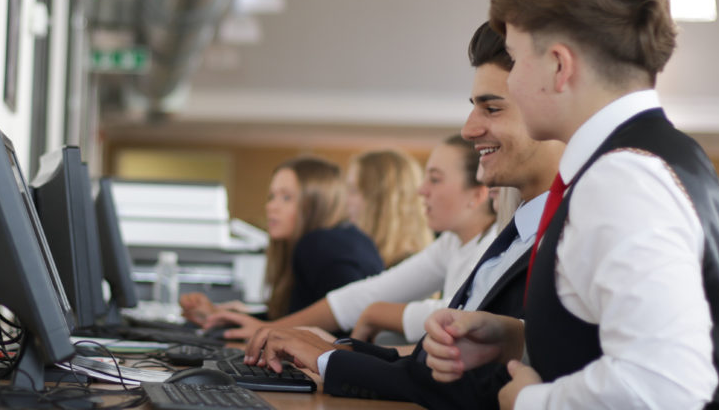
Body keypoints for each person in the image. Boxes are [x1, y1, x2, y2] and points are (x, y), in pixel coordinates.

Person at [424, 0, 719, 410]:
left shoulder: (621, 178)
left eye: (516, 58)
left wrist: (529, 409)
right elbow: (633, 328)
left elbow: (663, 383)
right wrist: (519, 336)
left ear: (557, 65)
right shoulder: (660, 155)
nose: (512, 81)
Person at [244, 23, 563, 410]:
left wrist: (334, 361)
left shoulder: (566, 235)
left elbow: (477, 386)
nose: (470, 130)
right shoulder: (515, 234)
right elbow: (441, 360)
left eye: (491, 108)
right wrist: (338, 351)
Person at [186, 135, 497, 342]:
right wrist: (264, 327)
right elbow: (365, 295)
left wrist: (376, 314)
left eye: (435, 179)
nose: (421, 190)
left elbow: (458, 319)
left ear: (479, 192)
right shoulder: (451, 244)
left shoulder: (498, 247)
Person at [182, 156, 383, 322]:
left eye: (286, 198)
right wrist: (227, 316)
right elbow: (297, 320)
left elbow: (339, 328)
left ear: (316, 203)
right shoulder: (346, 238)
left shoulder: (319, 244)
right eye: (272, 196)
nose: (271, 206)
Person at [346, 149, 433, 268]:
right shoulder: (369, 257)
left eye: (353, 191)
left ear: (380, 201)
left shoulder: (409, 267)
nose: (346, 200)